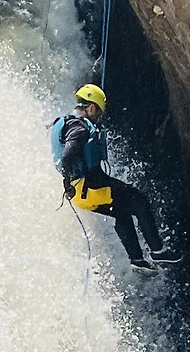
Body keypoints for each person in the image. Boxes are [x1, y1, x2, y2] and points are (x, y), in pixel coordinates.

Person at [51, 85, 180, 272]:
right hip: (92, 188)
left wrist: (68, 184)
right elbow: (68, 155)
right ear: (91, 108)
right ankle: (158, 251)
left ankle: (138, 261)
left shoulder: (64, 122)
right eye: (98, 113)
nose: (99, 118)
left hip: (79, 195)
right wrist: (66, 179)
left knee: (122, 211)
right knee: (140, 201)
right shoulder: (80, 129)